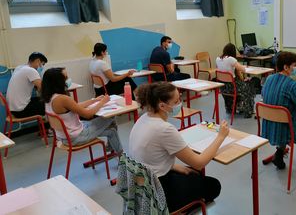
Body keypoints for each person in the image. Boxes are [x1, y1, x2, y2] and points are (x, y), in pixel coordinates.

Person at [129, 82, 227, 212]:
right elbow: (199, 163)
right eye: (176, 101)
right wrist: (221, 136)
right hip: (158, 192)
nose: (180, 103)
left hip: (141, 186)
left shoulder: (143, 119)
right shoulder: (164, 129)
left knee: (192, 173)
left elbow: (150, 158)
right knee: (213, 186)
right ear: (162, 106)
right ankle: (176, 209)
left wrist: (177, 167)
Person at [42, 67, 122, 154]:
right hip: (76, 137)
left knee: (111, 131)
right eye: (65, 78)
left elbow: (75, 106)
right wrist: (103, 102)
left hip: (63, 136)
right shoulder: (63, 99)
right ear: (58, 82)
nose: (68, 80)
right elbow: (88, 115)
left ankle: (112, 147)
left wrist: (94, 100)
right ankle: (123, 160)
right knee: (111, 117)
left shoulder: (49, 98)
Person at [216, 43, 257, 118]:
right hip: (233, 87)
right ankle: (248, 111)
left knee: (243, 84)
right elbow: (243, 69)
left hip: (223, 88)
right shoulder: (231, 59)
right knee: (250, 86)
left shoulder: (218, 59)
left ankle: (232, 108)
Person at [6, 52, 48, 118]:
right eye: (42, 65)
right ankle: (55, 125)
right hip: (21, 111)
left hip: (12, 110)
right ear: (38, 61)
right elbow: (43, 88)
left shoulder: (19, 68)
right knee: (51, 103)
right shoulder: (31, 70)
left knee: (41, 100)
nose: (41, 67)